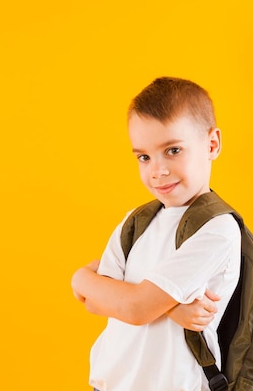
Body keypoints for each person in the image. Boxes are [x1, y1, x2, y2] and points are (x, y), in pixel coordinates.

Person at [71, 77, 241, 391]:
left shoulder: (216, 229)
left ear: (212, 144)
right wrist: (172, 307)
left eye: (173, 150)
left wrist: (84, 280)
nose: (157, 171)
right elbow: (95, 303)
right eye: (144, 157)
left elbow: (134, 308)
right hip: (111, 384)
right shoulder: (136, 221)